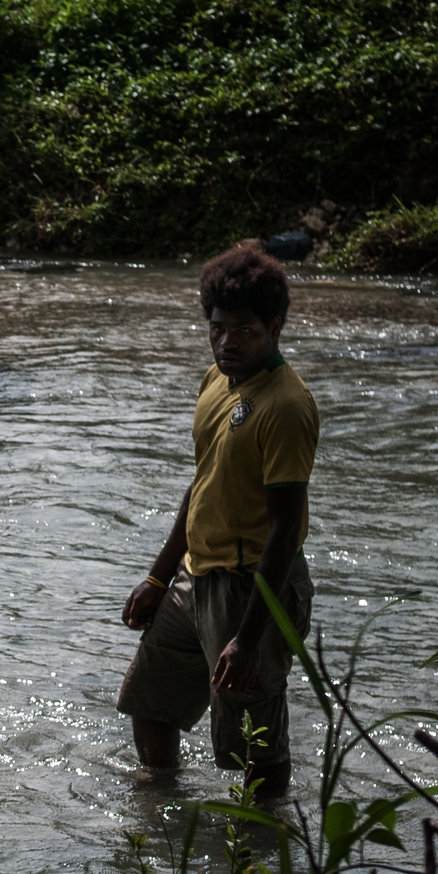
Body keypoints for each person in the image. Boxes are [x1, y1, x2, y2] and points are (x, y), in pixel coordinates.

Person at [117, 240, 318, 799]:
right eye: (218, 328)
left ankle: (262, 849)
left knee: (254, 744)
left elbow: (285, 527)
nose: (228, 343)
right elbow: (203, 482)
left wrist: (249, 638)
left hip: (252, 588)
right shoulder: (216, 380)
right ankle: (162, 814)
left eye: (245, 331)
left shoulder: (285, 406)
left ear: (275, 326)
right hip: (193, 576)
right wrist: (159, 577)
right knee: (151, 701)